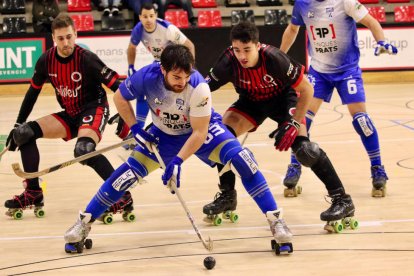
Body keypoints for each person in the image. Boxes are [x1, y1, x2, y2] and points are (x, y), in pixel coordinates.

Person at [64, 44, 293, 253]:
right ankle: (83, 224)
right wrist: (135, 128)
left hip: (201, 130)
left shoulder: (198, 87)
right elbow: (120, 98)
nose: (181, 82)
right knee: (123, 177)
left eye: (186, 76)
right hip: (163, 134)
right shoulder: (146, 76)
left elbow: (199, 133)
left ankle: (276, 221)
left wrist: (177, 161)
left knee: (244, 160)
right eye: (176, 76)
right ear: (163, 69)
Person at [204, 21, 356, 229]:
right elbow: (202, 88)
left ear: (257, 46)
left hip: (283, 100)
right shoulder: (228, 61)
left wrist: (293, 122)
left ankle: (342, 199)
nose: (242, 56)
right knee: (221, 138)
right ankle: (228, 195)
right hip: (251, 102)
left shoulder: (275, 59)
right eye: (237, 50)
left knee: (305, 150)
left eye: (247, 49)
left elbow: (308, 90)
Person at [4, 13, 133, 220]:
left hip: (94, 110)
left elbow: (119, 87)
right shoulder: (46, 60)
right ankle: (33, 193)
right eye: (61, 38)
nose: (66, 43)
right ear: (53, 39)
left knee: (83, 151)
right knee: (24, 133)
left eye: (69, 37)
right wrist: (18, 123)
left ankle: (122, 196)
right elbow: (32, 93)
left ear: (76, 35)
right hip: (71, 114)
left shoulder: (87, 59)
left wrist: (125, 117)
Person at [279, 0, 398, 197]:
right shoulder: (302, 3)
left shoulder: (345, 1)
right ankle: (295, 165)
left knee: (362, 121)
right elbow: (292, 29)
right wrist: (278, 57)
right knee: (302, 120)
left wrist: (381, 41)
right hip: (319, 73)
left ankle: (377, 168)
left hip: (347, 72)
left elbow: (371, 22)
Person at [115, 2, 195, 148]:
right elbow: (131, 48)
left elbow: (190, 45)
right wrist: (131, 67)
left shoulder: (167, 28)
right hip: (159, 64)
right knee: (143, 91)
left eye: (151, 16)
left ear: (156, 15)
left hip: (173, 66)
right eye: (145, 16)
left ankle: (147, 131)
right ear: (139, 17)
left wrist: (189, 69)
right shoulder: (138, 29)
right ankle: (138, 131)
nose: (148, 20)